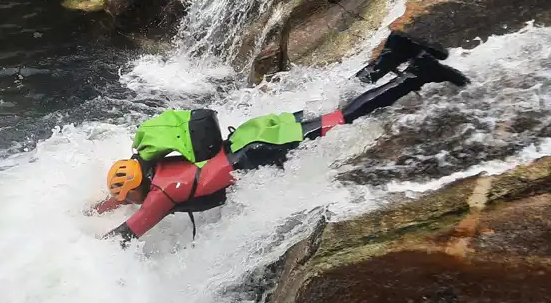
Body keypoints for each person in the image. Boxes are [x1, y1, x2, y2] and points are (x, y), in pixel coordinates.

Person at [93, 31, 470, 243]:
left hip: (260, 153)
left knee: (345, 117)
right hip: (247, 136)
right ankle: (391, 54)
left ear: (140, 189)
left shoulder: (159, 197)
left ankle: (417, 73)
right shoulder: (149, 161)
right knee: (332, 106)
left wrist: (85, 249)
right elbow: (123, 200)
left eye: (130, 198)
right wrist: (95, 208)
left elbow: (126, 235)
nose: (132, 203)